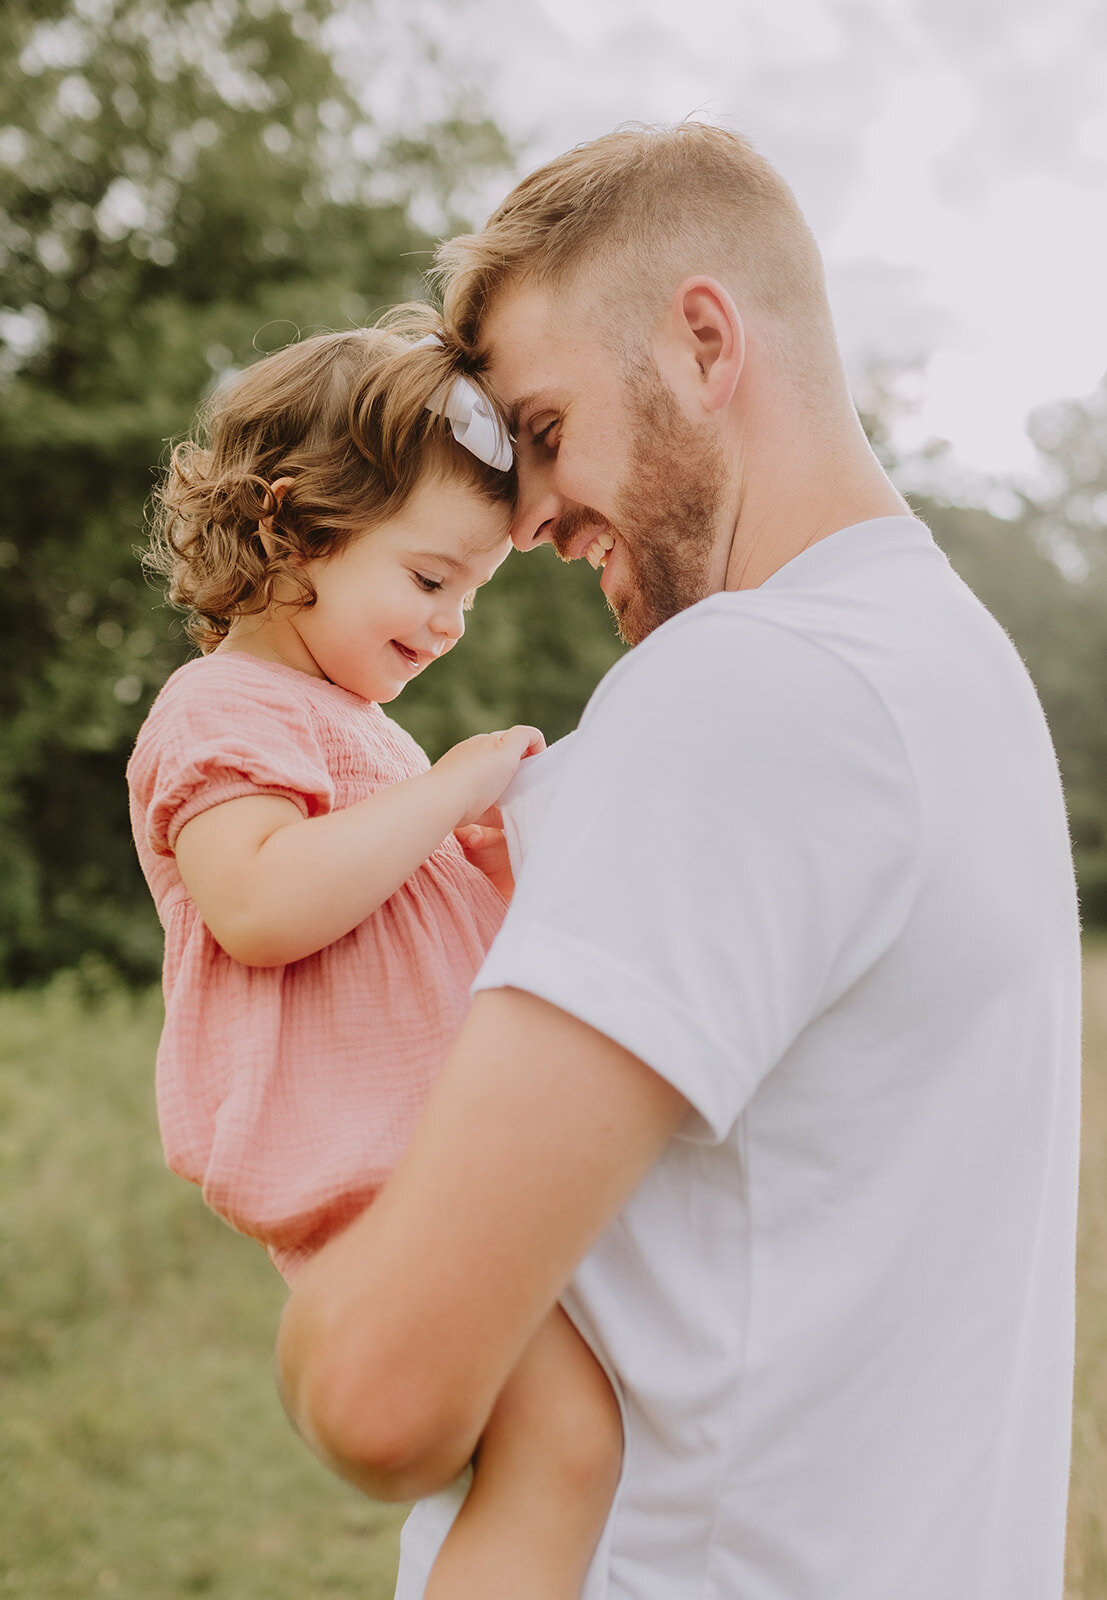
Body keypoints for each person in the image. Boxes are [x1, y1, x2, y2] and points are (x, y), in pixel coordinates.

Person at [276, 125, 1082, 1600]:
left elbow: (378, 1392)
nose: (525, 519)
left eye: (542, 427)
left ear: (702, 340)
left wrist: (292, 1216)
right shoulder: (950, 672)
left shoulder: (746, 689)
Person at [126, 324, 623, 1600]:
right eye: (428, 580)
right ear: (294, 531)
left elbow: (412, 916)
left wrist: (491, 866)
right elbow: (259, 904)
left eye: (469, 595)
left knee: (561, 1437)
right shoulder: (221, 709)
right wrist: (447, 787)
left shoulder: (356, 734)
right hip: (365, 1171)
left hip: (441, 1156)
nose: (451, 624)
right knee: (563, 1448)